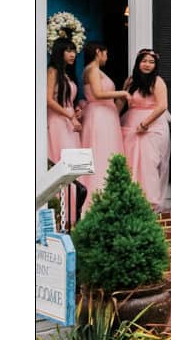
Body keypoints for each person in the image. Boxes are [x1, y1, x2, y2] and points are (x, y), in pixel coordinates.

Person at [121, 47, 171, 210]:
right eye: (144, 61)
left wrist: (145, 124)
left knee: (148, 163)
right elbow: (121, 103)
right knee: (130, 162)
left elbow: (163, 105)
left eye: (151, 62)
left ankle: (150, 202)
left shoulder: (157, 81)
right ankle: (131, 198)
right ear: (138, 63)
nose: (147, 65)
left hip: (151, 126)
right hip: (130, 125)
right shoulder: (130, 82)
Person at [80, 41, 128, 202]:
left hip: (107, 116)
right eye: (105, 53)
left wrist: (124, 90)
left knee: (108, 152)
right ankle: (98, 195)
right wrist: (121, 92)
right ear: (98, 52)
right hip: (99, 116)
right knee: (100, 152)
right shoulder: (92, 70)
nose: (107, 57)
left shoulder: (96, 70)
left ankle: (111, 194)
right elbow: (98, 93)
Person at [45, 38, 84, 223]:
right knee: (62, 160)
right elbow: (49, 100)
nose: (72, 54)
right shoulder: (52, 71)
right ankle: (60, 212)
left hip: (69, 121)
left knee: (72, 163)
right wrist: (69, 116)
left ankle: (72, 211)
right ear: (59, 52)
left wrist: (75, 110)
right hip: (58, 122)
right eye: (68, 50)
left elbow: (67, 100)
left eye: (74, 51)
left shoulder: (67, 75)